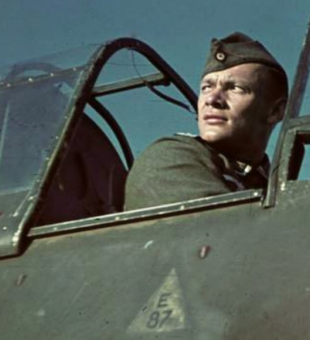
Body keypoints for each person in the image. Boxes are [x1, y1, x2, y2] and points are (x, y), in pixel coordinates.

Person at [123, 32, 288, 210]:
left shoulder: (271, 183)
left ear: (276, 111)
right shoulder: (171, 156)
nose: (212, 99)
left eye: (235, 88)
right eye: (207, 87)